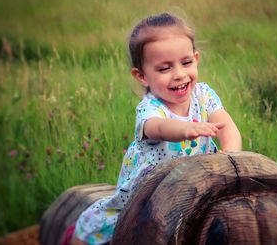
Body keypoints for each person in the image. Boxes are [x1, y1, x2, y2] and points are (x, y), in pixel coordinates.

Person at [69, 12, 242, 245]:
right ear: (141, 76)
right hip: (149, 189)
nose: (179, 74)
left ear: (196, 58)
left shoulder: (204, 94)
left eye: (186, 62)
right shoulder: (150, 108)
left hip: (200, 179)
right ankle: (77, 239)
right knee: (105, 219)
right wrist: (185, 129)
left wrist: (230, 154)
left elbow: (226, 125)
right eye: (164, 68)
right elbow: (158, 127)